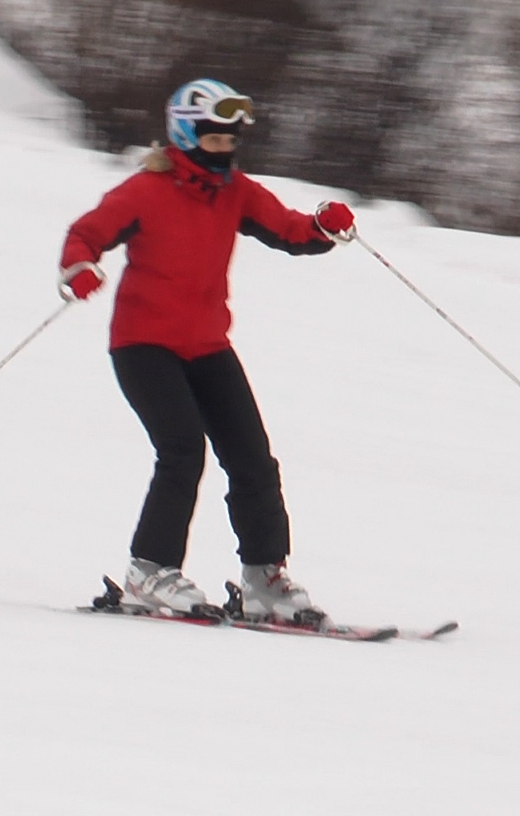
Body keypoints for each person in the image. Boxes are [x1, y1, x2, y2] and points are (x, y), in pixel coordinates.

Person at [59, 78, 356, 621]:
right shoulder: (146, 192)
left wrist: (322, 227)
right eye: (214, 139)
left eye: (231, 140)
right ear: (185, 135)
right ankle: (150, 569)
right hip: (144, 345)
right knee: (182, 450)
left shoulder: (236, 192)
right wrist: (80, 267)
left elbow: (287, 229)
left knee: (252, 458)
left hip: (207, 346)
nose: (225, 150)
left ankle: (264, 577)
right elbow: (86, 233)